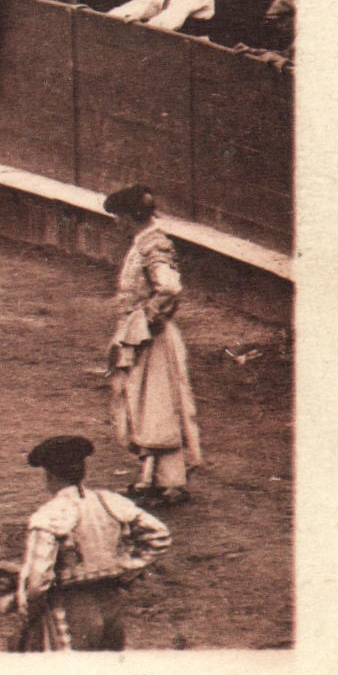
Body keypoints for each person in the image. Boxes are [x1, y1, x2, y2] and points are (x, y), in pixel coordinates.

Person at [10, 435, 171, 652]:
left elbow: (37, 583)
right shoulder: (110, 502)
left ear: (49, 475)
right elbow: (159, 535)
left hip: (70, 607)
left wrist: (27, 613)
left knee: (72, 674)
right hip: (111, 602)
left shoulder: (49, 515)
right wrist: (126, 567)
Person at [102, 185, 202, 507]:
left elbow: (170, 289)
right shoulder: (145, 243)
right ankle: (154, 480)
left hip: (152, 338)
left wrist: (144, 322)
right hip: (143, 335)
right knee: (145, 405)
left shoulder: (153, 245)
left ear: (132, 217)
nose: (117, 223)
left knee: (156, 406)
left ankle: (168, 484)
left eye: (119, 217)